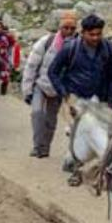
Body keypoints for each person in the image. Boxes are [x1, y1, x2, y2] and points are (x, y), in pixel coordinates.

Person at [23, 12, 76, 158]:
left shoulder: (76, 47)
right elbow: (32, 65)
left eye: (72, 28)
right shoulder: (46, 42)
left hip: (59, 88)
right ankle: (37, 146)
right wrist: (27, 89)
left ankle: (45, 148)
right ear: (60, 27)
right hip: (41, 84)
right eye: (66, 28)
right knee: (37, 113)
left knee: (50, 119)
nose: (69, 31)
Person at [48, 13, 112, 108]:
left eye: (98, 34)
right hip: (74, 99)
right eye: (91, 35)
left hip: (100, 101)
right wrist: (65, 94)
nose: (95, 38)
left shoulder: (109, 49)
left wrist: (111, 101)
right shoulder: (70, 48)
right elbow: (52, 72)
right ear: (82, 33)